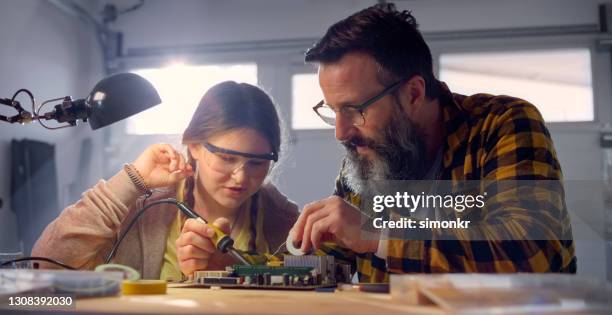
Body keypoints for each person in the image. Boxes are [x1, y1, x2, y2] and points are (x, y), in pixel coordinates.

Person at [289, 3, 576, 282]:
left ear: (413, 93)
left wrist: (377, 236)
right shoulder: (367, 157)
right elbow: (327, 262)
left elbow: (532, 252)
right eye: (333, 110)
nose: (340, 132)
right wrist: (269, 261)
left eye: (355, 110)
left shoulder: (502, 124)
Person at [33, 81, 298, 280]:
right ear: (193, 145)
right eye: (227, 158)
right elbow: (45, 265)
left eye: (257, 163)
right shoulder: (145, 210)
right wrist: (129, 181)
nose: (241, 177)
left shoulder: (283, 221)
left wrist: (227, 272)